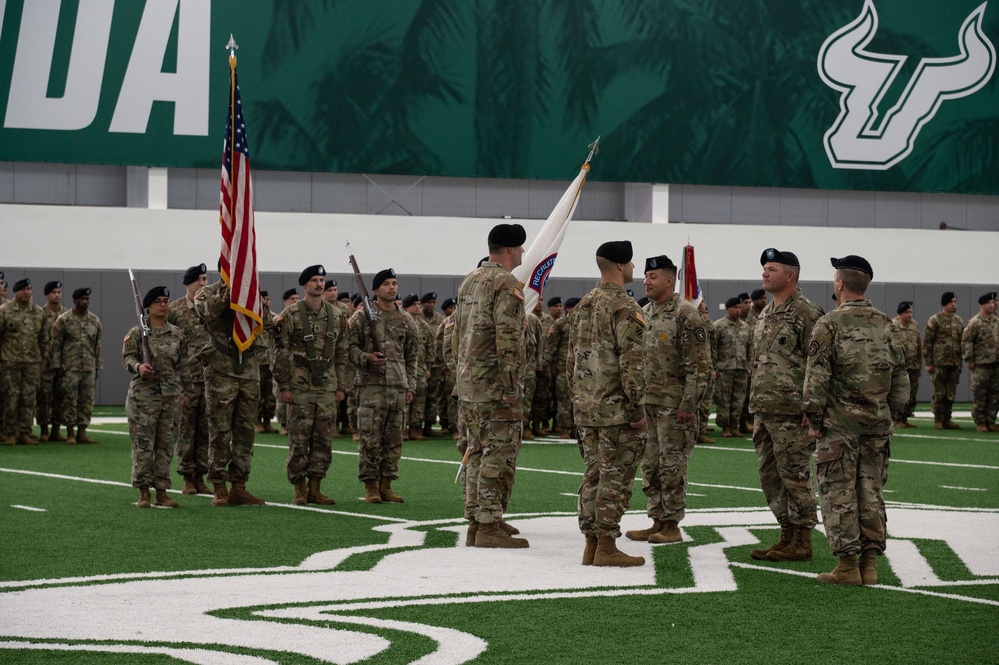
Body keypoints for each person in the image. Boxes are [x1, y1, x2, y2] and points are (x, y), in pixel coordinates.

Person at [803, 256, 908, 586]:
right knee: (871, 490)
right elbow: (901, 380)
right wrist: (891, 414)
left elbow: (815, 379)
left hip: (840, 426)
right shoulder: (889, 325)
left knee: (839, 493)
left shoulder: (830, 324)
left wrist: (814, 420)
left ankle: (848, 566)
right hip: (877, 426)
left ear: (839, 284)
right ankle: (870, 565)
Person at [568, 241, 647, 566]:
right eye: (630, 263)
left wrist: (577, 400)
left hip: (587, 408)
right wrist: (637, 408)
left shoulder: (585, 304)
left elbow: (571, 359)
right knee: (614, 479)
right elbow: (633, 363)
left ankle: (591, 544)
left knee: (593, 476)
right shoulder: (625, 307)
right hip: (616, 411)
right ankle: (606, 547)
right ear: (619, 266)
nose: (633, 269)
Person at [452, 223, 529, 548]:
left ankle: (479, 518)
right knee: (497, 454)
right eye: (521, 248)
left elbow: (457, 333)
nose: (524, 253)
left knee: (477, 452)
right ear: (510, 250)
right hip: (495, 385)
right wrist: (511, 385)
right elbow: (507, 338)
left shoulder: (470, 280)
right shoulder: (506, 283)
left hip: (470, 383)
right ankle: (487, 527)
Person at [626, 255, 708, 547]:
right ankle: (657, 520)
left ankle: (672, 524)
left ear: (669, 280)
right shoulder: (644, 312)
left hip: (675, 407)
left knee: (672, 466)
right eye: (646, 276)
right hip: (648, 404)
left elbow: (699, 366)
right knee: (650, 466)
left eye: (653, 276)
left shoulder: (686, 314)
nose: (646, 281)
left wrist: (689, 404)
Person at [747, 248, 823, 562]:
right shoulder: (766, 313)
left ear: (790, 276)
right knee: (770, 474)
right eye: (764, 268)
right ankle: (786, 532)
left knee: (795, 474)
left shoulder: (806, 312)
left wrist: (812, 407)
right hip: (765, 408)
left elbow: (819, 364)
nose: (765, 273)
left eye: (772, 269)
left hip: (792, 411)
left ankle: (802, 539)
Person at [274, 265, 350, 505]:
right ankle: (299, 488)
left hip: (327, 386)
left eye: (322, 280)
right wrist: (284, 386)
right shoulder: (292, 314)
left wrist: (341, 386)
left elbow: (342, 352)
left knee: (324, 439)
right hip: (300, 386)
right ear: (304, 285)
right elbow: (281, 352)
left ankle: (316, 487)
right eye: (315, 280)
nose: (319, 284)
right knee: (299, 438)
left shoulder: (337, 315)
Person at [194, 273, 266, 507]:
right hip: (221, 371)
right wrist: (230, 293)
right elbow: (208, 312)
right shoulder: (206, 293)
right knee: (220, 432)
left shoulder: (250, 293)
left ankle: (239, 486)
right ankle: (219, 486)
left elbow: (267, 322)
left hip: (248, 371)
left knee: (245, 432)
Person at [348, 268, 418, 503]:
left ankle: (386, 484)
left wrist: (410, 386)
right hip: (371, 386)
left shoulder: (406, 319)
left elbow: (412, 356)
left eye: (394, 283)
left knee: (394, 439)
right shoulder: (362, 317)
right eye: (387, 284)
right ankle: (371, 486)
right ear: (376, 290)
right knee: (370, 437)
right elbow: (348, 348)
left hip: (397, 386)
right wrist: (366, 358)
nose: (392, 287)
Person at [123, 287, 190, 509]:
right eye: (158, 301)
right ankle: (143, 492)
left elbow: (183, 366)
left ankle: (162, 491)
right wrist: (139, 367)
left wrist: (186, 392)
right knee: (143, 445)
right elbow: (128, 358)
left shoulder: (177, 334)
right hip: (144, 397)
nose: (163, 305)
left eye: (166, 301)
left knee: (165, 445)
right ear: (148, 307)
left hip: (170, 396)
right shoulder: (137, 333)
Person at [167, 263, 213, 495]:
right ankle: (187, 477)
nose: (203, 284)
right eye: (199, 280)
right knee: (187, 429)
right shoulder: (174, 310)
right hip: (187, 380)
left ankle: (200, 475)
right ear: (188, 284)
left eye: (205, 279)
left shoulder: (213, 308)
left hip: (211, 379)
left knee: (205, 430)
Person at [51, 288, 102, 445]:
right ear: (75, 300)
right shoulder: (63, 320)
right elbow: (56, 345)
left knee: (86, 401)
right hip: (70, 368)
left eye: (87, 299)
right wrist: (57, 366)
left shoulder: (94, 321)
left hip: (88, 368)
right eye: (81, 299)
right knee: (69, 401)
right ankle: (70, 433)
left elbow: (97, 346)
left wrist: (98, 366)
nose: (84, 302)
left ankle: (82, 432)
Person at [0, 279, 48, 445]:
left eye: (29, 289)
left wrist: (44, 360)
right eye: (24, 289)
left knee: (29, 399)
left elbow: (44, 339)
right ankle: (10, 433)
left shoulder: (38, 312)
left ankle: (25, 432)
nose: (27, 292)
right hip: (9, 362)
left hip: (32, 363)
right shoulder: (4, 311)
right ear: (16, 292)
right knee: (11, 398)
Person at [923, 292, 965, 429]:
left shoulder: (958, 321)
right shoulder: (935, 320)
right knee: (939, 393)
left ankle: (947, 419)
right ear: (945, 303)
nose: (954, 304)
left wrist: (960, 361)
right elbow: (927, 343)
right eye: (951, 302)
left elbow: (961, 342)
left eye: (955, 302)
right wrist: (928, 362)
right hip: (939, 363)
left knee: (950, 394)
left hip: (954, 362)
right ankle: (938, 419)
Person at [713, 297, 751, 437]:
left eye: (739, 307)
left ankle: (735, 426)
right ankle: (725, 427)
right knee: (724, 399)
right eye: (735, 307)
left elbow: (750, 349)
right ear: (728, 309)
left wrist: (749, 368)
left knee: (739, 399)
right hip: (724, 368)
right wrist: (713, 368)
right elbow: (713, 348)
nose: (738, 310)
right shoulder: (719, 326)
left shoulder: (745, 327)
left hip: (741, 368)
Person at [963, 292, 999, 433]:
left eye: (993, 303)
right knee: (980, 395)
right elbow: (967, 342)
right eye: (989, 303)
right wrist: (970, 359)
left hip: (996, 364)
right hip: (981, 365)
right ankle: (980, 422)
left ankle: (991, 421)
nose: (992, 305)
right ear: (982, 305)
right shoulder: (975, 322)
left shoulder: (996, 321)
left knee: (994, 395)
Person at [37, 281, 68, 442]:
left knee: (60, 397)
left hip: (62, 363)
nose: (57, 295)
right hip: (46, 363)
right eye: (54, 292)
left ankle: (56, 430)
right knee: (44, 397)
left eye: (59, 292)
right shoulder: (40, 314)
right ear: (46, 295)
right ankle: (43, 430)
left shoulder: (66, 315)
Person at [544, 296, 578, 438]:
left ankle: (576, 429)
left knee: (579, 400)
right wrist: (550, 365)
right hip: (563, 367)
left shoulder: (585, 323)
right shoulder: (560, 324)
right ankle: (563, 428)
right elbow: (551, 346)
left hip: (580, 370)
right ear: (569, 309)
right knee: (563, 399)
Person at [403, 293, 432, 441]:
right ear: (406, 307)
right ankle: (404, 428)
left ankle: (415, 428)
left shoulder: (424, 326)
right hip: (405, 367)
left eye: (418, 304)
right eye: (413, 305)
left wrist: (428, 367)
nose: (417, 307)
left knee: (420, 398)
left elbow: (429, 348)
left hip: (420, 368)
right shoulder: (403, 323)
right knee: (404, 398)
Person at [892, 301, 922, 428]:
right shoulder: (892, 326)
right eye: (907, 312)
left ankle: (905, 418)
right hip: (898, 367)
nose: (909, 315)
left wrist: (920, 365)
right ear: (900, 313)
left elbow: (919, 346)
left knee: (911, 394)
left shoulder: (914, 325)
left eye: (910, 312)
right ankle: (896, 419)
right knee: (898, 394)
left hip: (913, 366)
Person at [419, 292, 445, 437]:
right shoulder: (417, 319)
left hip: (435, 364)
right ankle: (415, 425)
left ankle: (429, 425)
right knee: (419, 396)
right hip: (420, 365)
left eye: (433, 302)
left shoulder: (440, 319)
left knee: (432, 396)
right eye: (429, 302)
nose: (431, 305)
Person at [697, 300, 717, 444]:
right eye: (701, 311)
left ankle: (701, 431)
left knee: (706, 402)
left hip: (707, 367)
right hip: (695, 369)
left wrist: (713, 368)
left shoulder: (708, 327)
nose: (704, 314)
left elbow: (713, 348)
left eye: (705, 311)